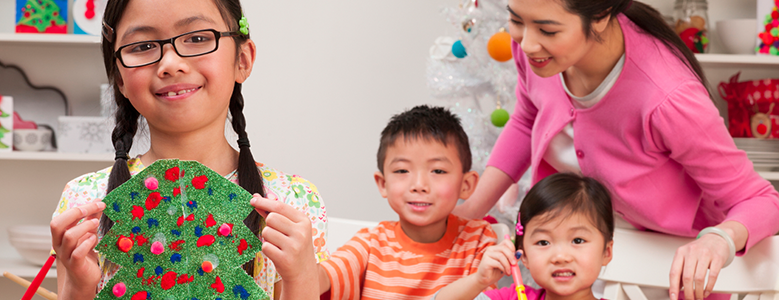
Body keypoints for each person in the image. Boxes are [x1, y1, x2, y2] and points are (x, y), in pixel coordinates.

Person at [452, 0, 779, 299]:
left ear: (600, 15)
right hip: (585, 253)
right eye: (516, 20)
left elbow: (762, 200)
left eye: (547, 30)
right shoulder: (537, 46)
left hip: (671, 275)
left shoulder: (668, 97)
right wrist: (468, 214)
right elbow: (527, 117)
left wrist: (718, 239)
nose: (527, 43)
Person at [48, 1, 326, 299]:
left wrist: (300, 278)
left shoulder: (292, 203)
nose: (170, 64)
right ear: (119, 80)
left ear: (242, 60)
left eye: (197, 38)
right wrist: (79, 287)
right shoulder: (85, 204)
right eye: (142, 46)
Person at [316, 105, 498, 300]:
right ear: (383, 183)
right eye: (402, 171)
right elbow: (321, 280)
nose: (419, 186)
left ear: (466, 184)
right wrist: (295, 261)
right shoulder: (370, 243)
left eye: (437, 171)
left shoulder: (478, 239)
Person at [437, 173, 614, 300]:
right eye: (543, 242)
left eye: (577, 240)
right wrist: (478, 280)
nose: (560, 257)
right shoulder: (510, 297)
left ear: (606, 252)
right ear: (525, 256)